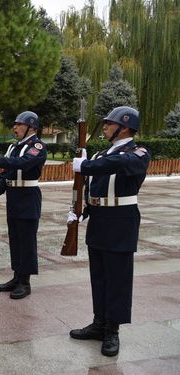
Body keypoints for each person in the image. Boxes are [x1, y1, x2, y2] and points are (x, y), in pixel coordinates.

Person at [68, 106, 150, 357]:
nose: (104, 127)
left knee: (118, 278)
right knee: (100, 275)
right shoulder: (102, 153)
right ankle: (99, 323)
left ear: (123, 127)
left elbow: (120, 163)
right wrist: (81, 211)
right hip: (100, 218)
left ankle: (112, 330)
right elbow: (95, 187)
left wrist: (87, 165)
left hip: (121, 220)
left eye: (108, 123)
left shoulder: (138, 151)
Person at [0, 111, 46, 299]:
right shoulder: (14, 147)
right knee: (15, 239)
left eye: (19, 125)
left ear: (31, 127)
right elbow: (8, 173)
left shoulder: (37, 146)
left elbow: (24, 164)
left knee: (27, 241)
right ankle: (16, 276)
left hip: (28, 197)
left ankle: (25, 281)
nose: (15, 128)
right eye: (15, 124)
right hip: (14, 196)